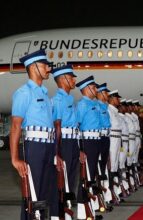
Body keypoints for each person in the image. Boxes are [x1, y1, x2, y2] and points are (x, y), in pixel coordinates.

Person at [10, 49, 57, 220]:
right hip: (35, 147)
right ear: (34, 67)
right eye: (45, 65)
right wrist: (15, 158)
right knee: (32, 194)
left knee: (44, 193)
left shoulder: (44, 94)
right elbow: (15, 126)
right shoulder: (24, 93)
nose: (49, 69)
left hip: (49, 147)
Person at [51, 65, 80, 216]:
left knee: (71, 177)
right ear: (62, 79)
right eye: (71, 77)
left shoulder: (69, 98)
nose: (74, 80)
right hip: (64, 143)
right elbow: (57, 126)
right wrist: (57, 152)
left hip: (73, 141)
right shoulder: (58, 100)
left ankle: (66, 210)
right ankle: (60, 212)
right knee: (63, 179)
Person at [75, 75, 103, 219]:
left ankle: (90, 210)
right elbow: (77, 126)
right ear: (85, 89)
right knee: (84, 178)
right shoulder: (82, 105)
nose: (95, 90)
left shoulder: (95, 104)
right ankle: (82, 213)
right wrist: (80, 148)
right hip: (87, 142)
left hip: (96, 141)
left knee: (91, 176)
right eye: (93, 87)